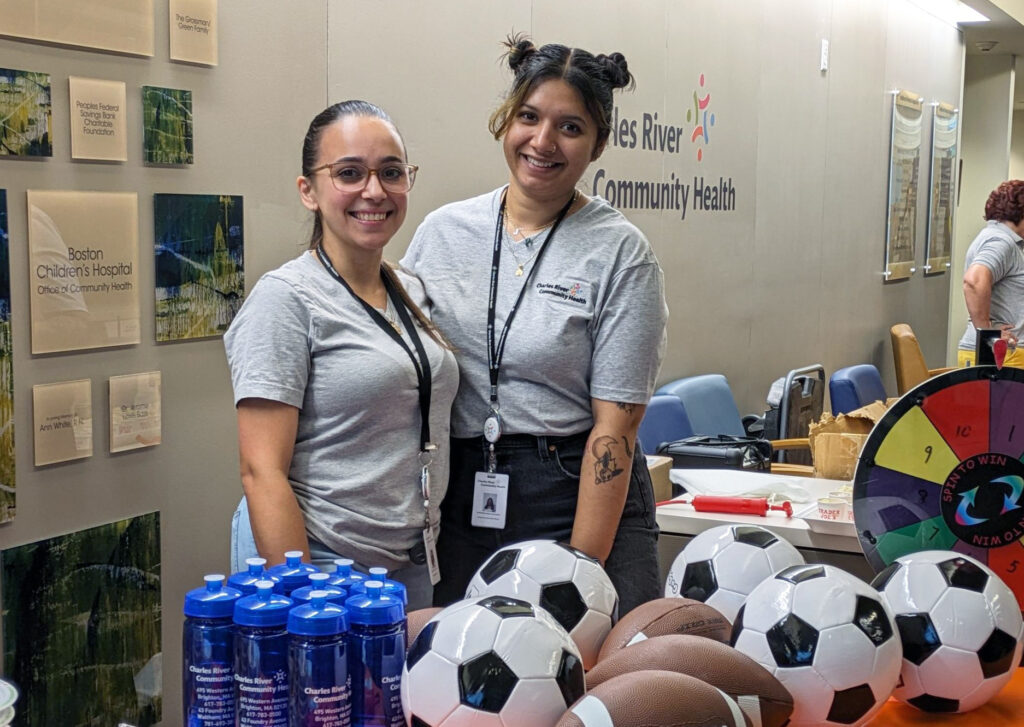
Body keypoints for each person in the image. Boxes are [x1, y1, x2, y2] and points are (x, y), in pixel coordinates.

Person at [402, 36, 668, 614]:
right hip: (466, 489)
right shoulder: (442, 233)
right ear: (507, 121)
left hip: (577, 486)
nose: (542, 142)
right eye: (528, 117)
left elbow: (614, 431)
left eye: (570, 127)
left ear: (598, 144)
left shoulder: (621, 253)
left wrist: (582, 574)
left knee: (600, 677)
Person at [224, 100, 458, 609]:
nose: (374, 191)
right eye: (349, 173)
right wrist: (308, 597)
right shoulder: (285, 300)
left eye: (391, 173)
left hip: (409, 558)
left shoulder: (412, 291)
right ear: (308, 190)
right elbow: (260, 470)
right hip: (322, 562)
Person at [957, 180, 1024, 368]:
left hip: (1004, 352)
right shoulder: (1001, 242)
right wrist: (988, 334)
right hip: (1002, 354)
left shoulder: (996, 238)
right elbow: (974, 281)